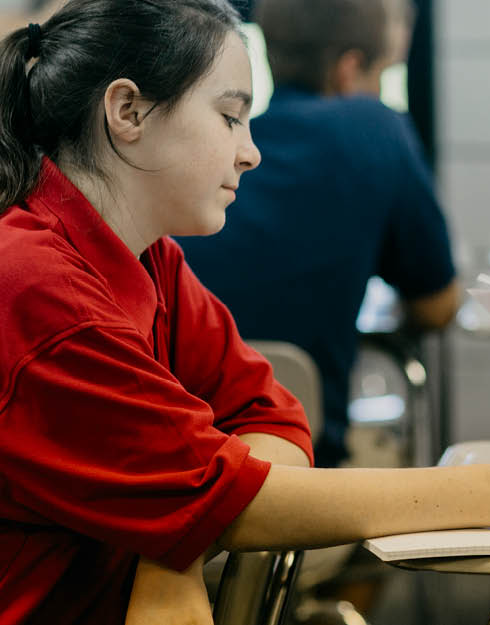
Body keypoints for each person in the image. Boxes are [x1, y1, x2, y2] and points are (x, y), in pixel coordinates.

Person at [0, 1, 490, 622]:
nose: (251, 153)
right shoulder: (35, 287)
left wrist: (177, 540)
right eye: (229, 117)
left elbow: (267, 410)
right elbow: (234, 501)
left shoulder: (147, 256)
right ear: (128, 111)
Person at [177, 0, 458, 468]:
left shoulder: (208, 154)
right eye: (381, 74)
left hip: (173, 463)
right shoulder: (374, 128)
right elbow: (437, 305)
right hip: (299, 468)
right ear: (349, 70)